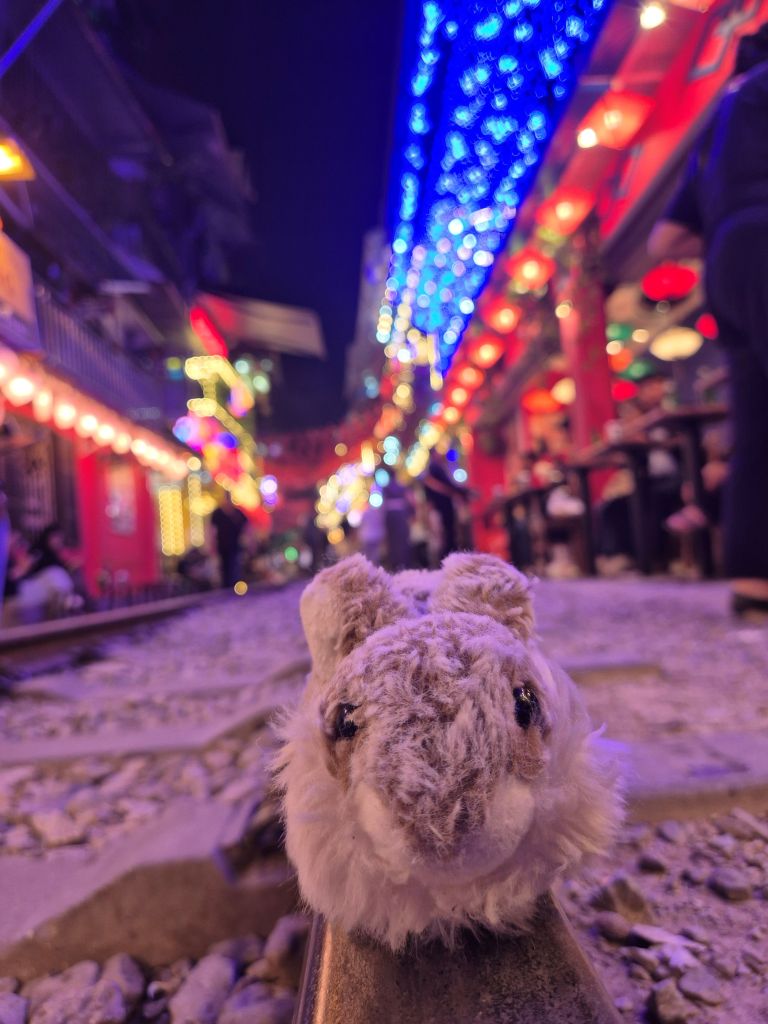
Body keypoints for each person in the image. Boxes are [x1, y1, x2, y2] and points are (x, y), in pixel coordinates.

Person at [649, 26, 768, 616]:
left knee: (756, 421)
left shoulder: (716, 126)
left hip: (726, 263)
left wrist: (729, 234)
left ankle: (754, 581)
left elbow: (664, 239)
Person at [211, 492, 248, 589]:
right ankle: (226, 588)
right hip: (222, 546)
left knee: (234, 568)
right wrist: (212, 546)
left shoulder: (237, 513)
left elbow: (247, 527)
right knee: (224, 569)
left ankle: (234, 588)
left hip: (235, 546)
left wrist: (247, 540)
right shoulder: (217, 513)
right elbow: (212, 531)